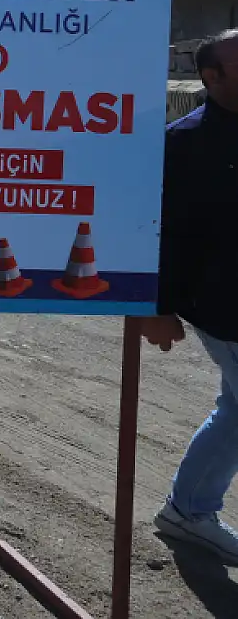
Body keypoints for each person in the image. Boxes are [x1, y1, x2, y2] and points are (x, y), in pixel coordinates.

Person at [144, 29, 238, 561]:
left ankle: (188, 510)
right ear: (211, 76)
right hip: (223, 305)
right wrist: (156, 307)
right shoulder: (184, 143)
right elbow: (162, 233)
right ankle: (189, 510)